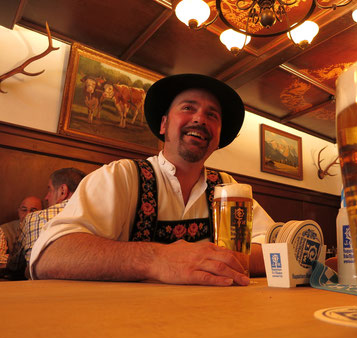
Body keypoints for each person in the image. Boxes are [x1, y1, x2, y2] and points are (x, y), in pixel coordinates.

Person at [30, 74, 274, 286]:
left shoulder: (228, 188)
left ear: (218, 137)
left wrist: (208, 259)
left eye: (212, 115)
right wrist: (156, 258)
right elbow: (49, 254)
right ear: (164, 124)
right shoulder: (121, 176)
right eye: (188, 108)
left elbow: (275, 248)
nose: (200, 118)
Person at [6, 168, 86, 279]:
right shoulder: (100, 218)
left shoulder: (36, 217)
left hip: (41, 290)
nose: (46, 197)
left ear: (63, 191)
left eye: (49, 189)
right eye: (23, 209)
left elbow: (14, 267)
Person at [0, 196, 42, 267]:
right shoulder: (4, 230)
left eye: (33, 210)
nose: (28, 214)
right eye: (24, 210)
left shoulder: (45, 229)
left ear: (42, 212)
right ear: (18, 211)